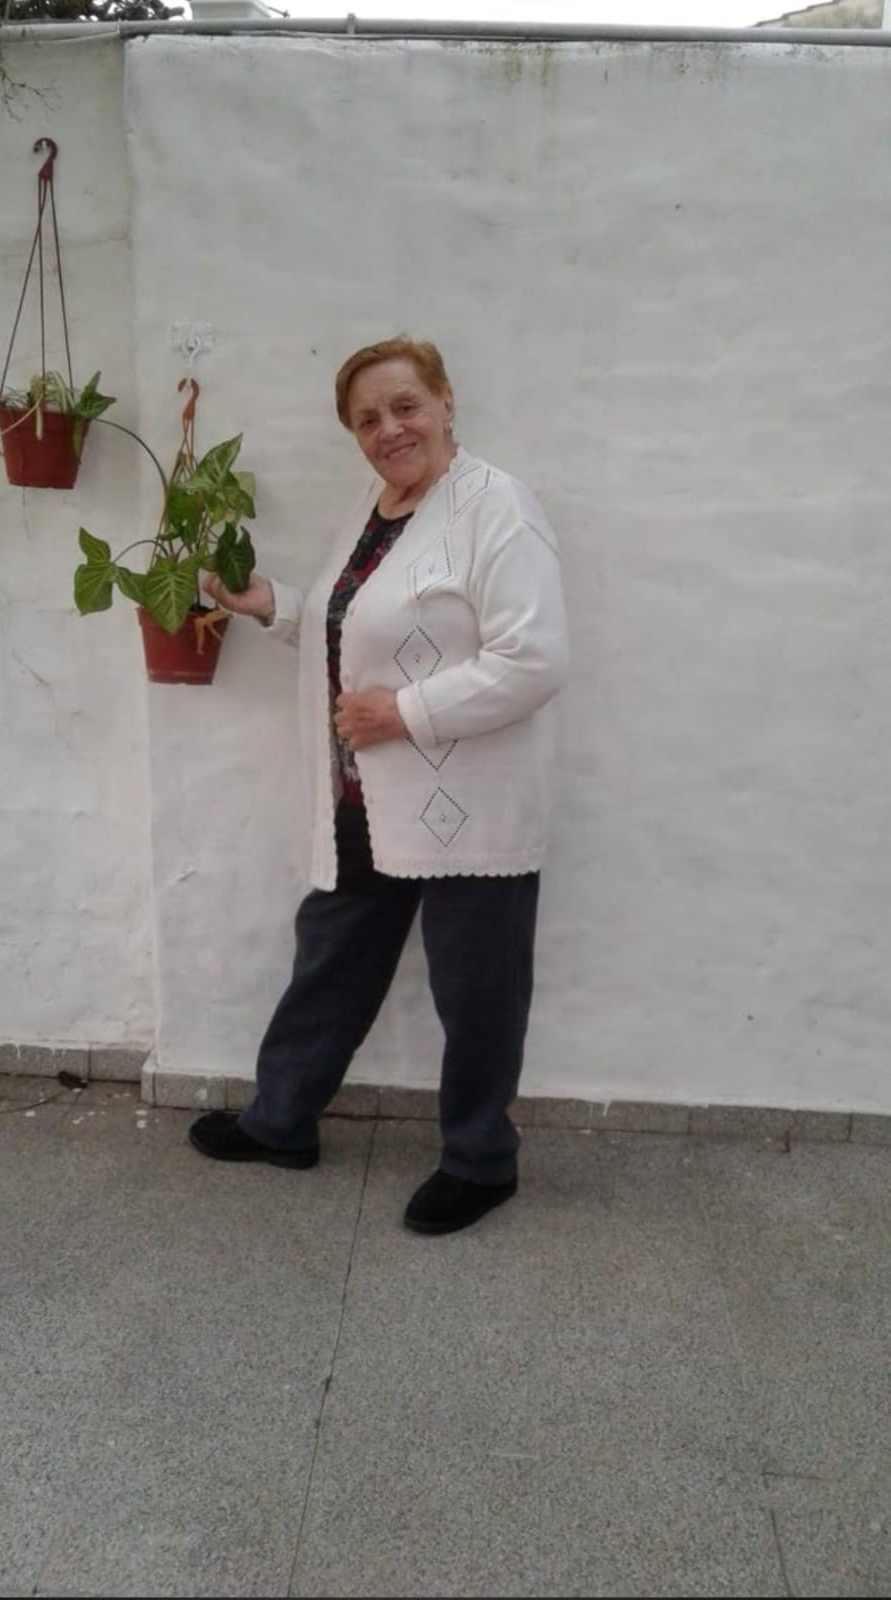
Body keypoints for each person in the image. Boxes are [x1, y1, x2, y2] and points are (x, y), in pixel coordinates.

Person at [188, 336, 570, 1235]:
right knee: (332, 956)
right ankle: (280, 1120)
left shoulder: (497, 505)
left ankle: (480, 1162)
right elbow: (356, 629)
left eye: (404, 406)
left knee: (476, 990)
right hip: (367, 796)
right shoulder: (378, 505)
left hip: (469, 803)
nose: (388, 429)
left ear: (444, 402)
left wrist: (403, 713)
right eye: (366, 419)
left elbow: (534, 660)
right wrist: (274, 606)